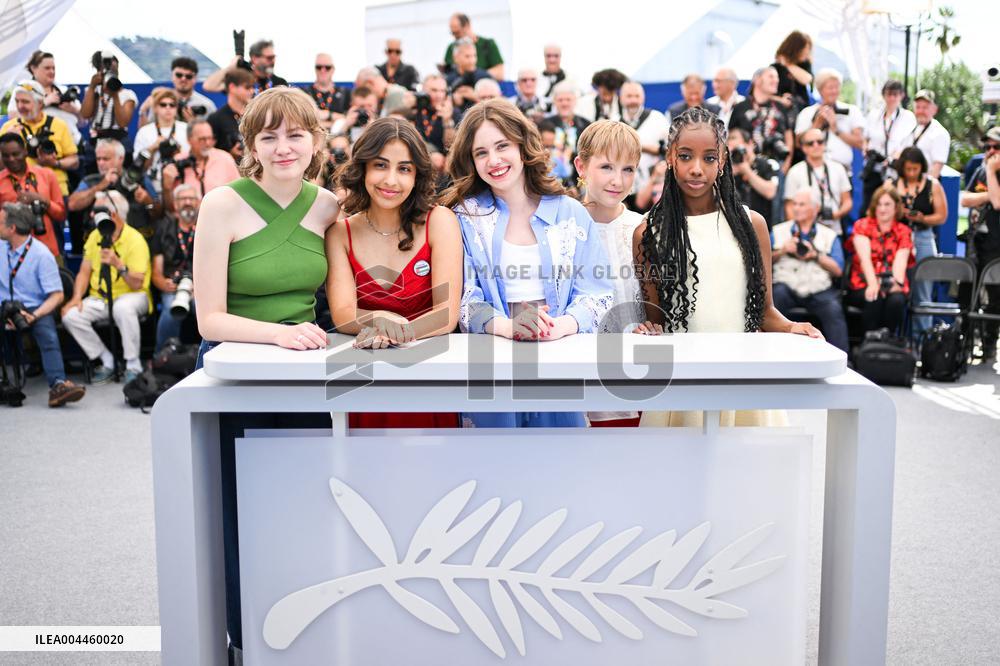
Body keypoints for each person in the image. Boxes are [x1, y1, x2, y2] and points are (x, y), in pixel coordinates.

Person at [191, 86, 340, 665]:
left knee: (307, 503)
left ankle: (305, 634)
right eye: (269, 136)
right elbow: (208, 318)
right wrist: (277, 332)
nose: (283, 147)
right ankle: (242, 640)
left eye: (295, 134)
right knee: (240, 510)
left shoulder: (327, 205)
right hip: (239, 370)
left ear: (315, 141)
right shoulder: (221, 205)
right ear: (250, 145)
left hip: (304, 373)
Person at [634, 107, 820, 428]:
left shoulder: (752, 225)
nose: (696, 169)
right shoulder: (647, 233)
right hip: (681, 382)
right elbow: (657, 321)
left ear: (722, 161)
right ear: (669, 157)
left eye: (708, 158)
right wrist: (648, 330)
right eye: (686, 156)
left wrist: (791, 327)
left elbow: (764, 311)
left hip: (743, 375)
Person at [443, 99, 613, 428]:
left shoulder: (570, 212)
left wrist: (558, 327)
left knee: (561, 465)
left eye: (502, 146)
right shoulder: (464, 217)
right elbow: (464, 296)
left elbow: (598, 293)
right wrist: (508, 328)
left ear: (522, 146)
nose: (493, 160)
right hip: (492, 365)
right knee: (496, 468)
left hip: (559, 362)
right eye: (481, 153)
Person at [326, 117, 462, 426]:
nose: (391, 180)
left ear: (417, 176)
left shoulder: (439, 221)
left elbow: (446, 314)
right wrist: (379, 319)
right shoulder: (340, 233)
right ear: (362, 168)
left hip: (429, 381)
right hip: (367, 385)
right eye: (380, 165)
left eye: (404, 169)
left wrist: (391, 336)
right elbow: (343, 313)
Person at [574, 120, 645, 427]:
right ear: (581, 166)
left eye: (628, 169)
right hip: (577, 373)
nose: (618, 180)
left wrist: (652, 323)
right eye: (606, 167)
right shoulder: (562, 228)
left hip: (634, 373)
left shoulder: (643, 228)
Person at [61, 189, 151, 384]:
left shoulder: (135, 239)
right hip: (101, 297)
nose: (92, 215)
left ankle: (133, 364)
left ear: (114, 215)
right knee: (70, 316)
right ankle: (106, 360)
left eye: (98, 210)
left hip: (133, 295)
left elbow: (137, 283)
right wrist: (76, 298)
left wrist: (118, 264)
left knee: (122, 308)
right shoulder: (95, 236)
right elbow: (84, 271)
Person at [0, 203, 85, 406]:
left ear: (12, 229)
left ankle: (58, 385)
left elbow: (56, 296)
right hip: (3, 305)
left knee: (48, 334)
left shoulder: (41, 254)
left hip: (34, 307)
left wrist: (34, 315)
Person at [771, 190, 848, 351]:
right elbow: (761, 261)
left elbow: (838, 270)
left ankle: (843, 360)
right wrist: (783, 250)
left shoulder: (829, 235)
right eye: (795, 204)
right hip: (786, 287)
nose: (796, 208)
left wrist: (816, 255)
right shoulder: (779, 231)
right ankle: (768, 351)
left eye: (802, 204)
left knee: (833, 308)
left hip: (818, 289)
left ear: (815, 208)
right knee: (775, 298)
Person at [892, 146, 948, 337]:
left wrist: (923, 218)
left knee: (923, 294)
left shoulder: (933, 185)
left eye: (915, 169)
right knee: (896, 289)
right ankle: (896, 340)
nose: (911, 173)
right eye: (908, 169)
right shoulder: (891, 185)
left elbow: (942, 216)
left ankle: (922, 344)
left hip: (923, 236)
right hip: (898, 238)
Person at [847, 185, 913, 335]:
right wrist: (873, 284)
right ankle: (869, 345)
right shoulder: (862, 226)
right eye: (879, 204)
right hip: (864, 282)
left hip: (892, 281)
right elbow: (865, 259)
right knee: (873, 297)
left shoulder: (903, 231)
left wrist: (895, 282)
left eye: (887, 204)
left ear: (896, 207)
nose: (882, 209)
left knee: (896, 300)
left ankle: (887, 342)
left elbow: (901, 260)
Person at [68, 138, 160, 240]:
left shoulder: (139, 179)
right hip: (99, 240)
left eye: (106, 159)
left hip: (135, 240)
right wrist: (100, 186)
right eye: (98, 159)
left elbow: (160, 213)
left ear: (120, 159)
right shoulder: (90, 181)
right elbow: (72, 204)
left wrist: (147, 200)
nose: (101, 163)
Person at [1, 81, 79, 199]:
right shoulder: (9, 128)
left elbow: (74, 161)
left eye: (25, 102)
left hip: (55, 191)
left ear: (40, 104)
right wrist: (8, 141)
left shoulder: (59, 125)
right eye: (17, 101)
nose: (20, 106)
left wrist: (54, 163)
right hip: (17, 192)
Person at [961, 128, 1000, 358]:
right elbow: (966, 199)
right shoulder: (980, 170)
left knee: (995, 295)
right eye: (987, 147)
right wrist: (986, 193)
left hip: (997, 243)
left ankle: (989, 344)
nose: (991, 152)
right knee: (967, 291)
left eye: (996, 147)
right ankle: (964, 342)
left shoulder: (990, 171)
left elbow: (997, 203)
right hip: (976, 240)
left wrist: (992, 172)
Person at [150, 183, 200, 351]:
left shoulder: (208, 226)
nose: (187, 202)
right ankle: (162, 359)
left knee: (204, 312)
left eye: (191, 198)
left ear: (199, 202)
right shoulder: (164, 228)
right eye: (182, 199)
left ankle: (210, 356)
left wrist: (201, 287)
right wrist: (163, 283)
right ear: (175, 204)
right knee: (170, 312)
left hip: (201, 287)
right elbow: (156, 270)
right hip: (171, 285)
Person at [0, 133, 66, 258]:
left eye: (15, 154)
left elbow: (61, 215)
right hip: (12, 254)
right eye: (5, 156)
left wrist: (42, 200)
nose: (11, 159)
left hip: (48, 249)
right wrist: (14, 209)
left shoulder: (47, 175)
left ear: (25, 152)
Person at [794, 68, 865, 177]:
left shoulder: (851, 111)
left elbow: (860, 143)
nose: (834, 91)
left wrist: (835, 128)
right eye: (830, 87)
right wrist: (817, 125)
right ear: (820, 89)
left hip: (842, 171)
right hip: (814, 171)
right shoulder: (807, 113)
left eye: (837, 87)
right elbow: (798, 143)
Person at [783, 128, 853, 234]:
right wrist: (796, 231)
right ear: (803, 147)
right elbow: (789, 206)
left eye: (820, 142)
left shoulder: (838, 168)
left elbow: (847, 201)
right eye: (810, 143)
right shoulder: (795, 171)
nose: (816, 145)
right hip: (805, 230)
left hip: (834, 229)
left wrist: (835, 214)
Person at [161, 119, 240, 212]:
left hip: (220, 218)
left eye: (210, 138)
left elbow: (238, 195)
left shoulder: (225, 159)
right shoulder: (178, 162)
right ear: (189, 139)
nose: (207, 143)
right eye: (202, 139)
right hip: (188, 221)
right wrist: (166, 188)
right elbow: (170, 208)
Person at [862, 79, 917, 213]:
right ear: (884, 95)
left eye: (895, 94)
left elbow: (907, 145)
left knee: (890, 206)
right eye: (889, 94)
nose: (892, 98)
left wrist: (892, 159)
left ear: (901, 95)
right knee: (868, 207)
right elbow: (865, 137)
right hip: (873, 167)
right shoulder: (874, 114)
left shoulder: (907, 117)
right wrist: (865, 150)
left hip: (894, 170)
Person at [729, 66, 793, 175]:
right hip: (748, 168)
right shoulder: (740, 107)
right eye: (771, 76)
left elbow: (789, 136)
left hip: (776, 165)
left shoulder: (780, 107)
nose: (776, 80)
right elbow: (730, 137)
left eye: (777, 77)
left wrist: (787, 163)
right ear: (757, 80)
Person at [9, 51, 83, 145]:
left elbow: (83, 122)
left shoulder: (63, 91)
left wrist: (74, 110)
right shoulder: (23, 89)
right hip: (41, 147)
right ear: (33, 68)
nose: (51, 72)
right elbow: (13, 116)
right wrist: (44, 103)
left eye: (53, 68)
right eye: (47, 68)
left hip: (73, 144)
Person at [133, 88, 190, 196]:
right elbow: (138, 166)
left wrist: (179, 152)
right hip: (153, 183)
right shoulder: (144, 132)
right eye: (163, 105)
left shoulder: (186, 129)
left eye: (172, 105)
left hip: (182, 180)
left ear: (176, 108)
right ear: (155, 108)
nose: (168, 108)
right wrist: (153, 148)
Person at [619, 81, 670, 194]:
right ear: (621, 98)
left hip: (653, 187)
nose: (633, 100)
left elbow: (671, 149)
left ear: (643, 97)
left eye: (637, 96)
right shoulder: (613, 122)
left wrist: (650, 149)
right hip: (621, 186)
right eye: (629, 96)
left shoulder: (657, 118)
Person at [139, 57, 216, 126]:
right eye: (179, 75)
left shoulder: (207, 105)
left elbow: (213, 136)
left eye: (188, 76)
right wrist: (143, 111)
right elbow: (145, 133)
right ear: (172, 76)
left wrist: (193, 124)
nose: (183, 79)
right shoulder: (161, 100)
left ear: (195, 78)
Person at [727, 128, 779, 229]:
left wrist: (746, 170)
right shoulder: (728, 168)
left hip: (762, 227)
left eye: (739, 149)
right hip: (737, 228)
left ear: (750, 144)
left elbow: (770, 192)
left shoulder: (766, 163)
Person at [80, 52, 137, 144]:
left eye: (114, 72)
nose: (111, 75)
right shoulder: (93, 91)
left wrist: (115, 95)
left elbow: (122, 123)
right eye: (108, 72)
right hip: (96, 138)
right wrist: (92, 87)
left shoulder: (128, 94)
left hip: (118, 140)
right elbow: (85, 114)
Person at [207, 68, 255, 159]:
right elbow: (208, 152)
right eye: (247, 87)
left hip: (254, 169)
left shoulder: (255, 115)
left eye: (253, 87)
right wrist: (230, 154)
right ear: (232, 87)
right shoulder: (215, 118)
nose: (252, 91)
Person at [545, 81, 591, 177]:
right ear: (554, 102)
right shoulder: (544, 124)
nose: (564, 103)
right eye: (560, 100)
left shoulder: (586, 126)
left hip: (579, 177)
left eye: (568, 99)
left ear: (575, 101)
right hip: (550, 177)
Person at [901, 89, 950, 179]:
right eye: (918, 107)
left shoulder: (939, 133)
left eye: (925, 107)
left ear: (934, 110)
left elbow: (936, 168)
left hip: (923, 186)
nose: (920, 111)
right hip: (906, 182)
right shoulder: (911, 128)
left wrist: (922, 189)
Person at [413, 74, 458, 168]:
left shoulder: (454, 112)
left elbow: (450, 147)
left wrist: (447, 121)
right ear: (424, 91)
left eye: (442, 91)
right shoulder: (417, 108)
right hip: (418, 153)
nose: (439, 95)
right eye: (434, 90)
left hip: (442, 160)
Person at [443, 12, 504, 80]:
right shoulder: (451, 47)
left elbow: (500, 73)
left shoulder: (488, 44)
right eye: (452, 33)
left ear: (467, 26)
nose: (454, 36)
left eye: (457, 32)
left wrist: (476, 75)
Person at [771, 30, 813, 124]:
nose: (807, 52)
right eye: (805, 48)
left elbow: (807, 79)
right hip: (780, 112)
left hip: (801, 111)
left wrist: (788, 64)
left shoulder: (804, 65)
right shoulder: (775, 68)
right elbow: (766, 94)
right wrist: (780, 100)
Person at [304, 53, 348, 131]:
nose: (323, 70)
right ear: (315, 69)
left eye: (327, 67)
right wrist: (335, 118)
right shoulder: (304, 93)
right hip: (312, 136)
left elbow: (349, 119)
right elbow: (303, 118)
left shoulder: (345, 93)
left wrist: (327, 115)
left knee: (339, 143)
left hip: (339, 136)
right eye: (319, 67)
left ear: (333, 69)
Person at [446, 40, 493, 112]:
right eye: (467, 56)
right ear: (456, 58)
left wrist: (476, 97)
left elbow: (495, 104)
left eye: (474, 56)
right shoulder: (449, 80)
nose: (472, 60)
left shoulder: (485, 77)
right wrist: (453, 101)